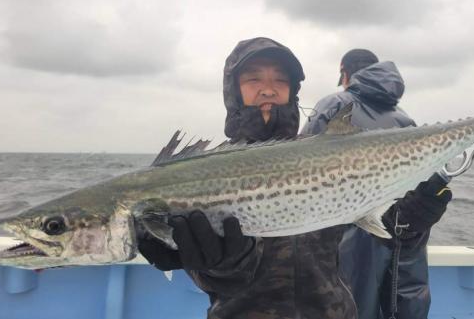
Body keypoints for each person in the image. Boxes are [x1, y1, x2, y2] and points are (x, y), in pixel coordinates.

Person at [138, 37, 357, 319]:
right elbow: (212, 278)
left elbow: (375, 218)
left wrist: (408, 219)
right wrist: (220, 265)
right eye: (254, 79)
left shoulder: (326, 158)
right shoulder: (205, 171)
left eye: (281, 80)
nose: (268, 89)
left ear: (293, 91)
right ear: (234, 91)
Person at [301, 49, 452, 319]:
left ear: (344, 74)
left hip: (350, 239)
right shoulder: (405, 119)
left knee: (352, 305)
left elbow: (300, 168)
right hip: (402, 239)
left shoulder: (334, 106)